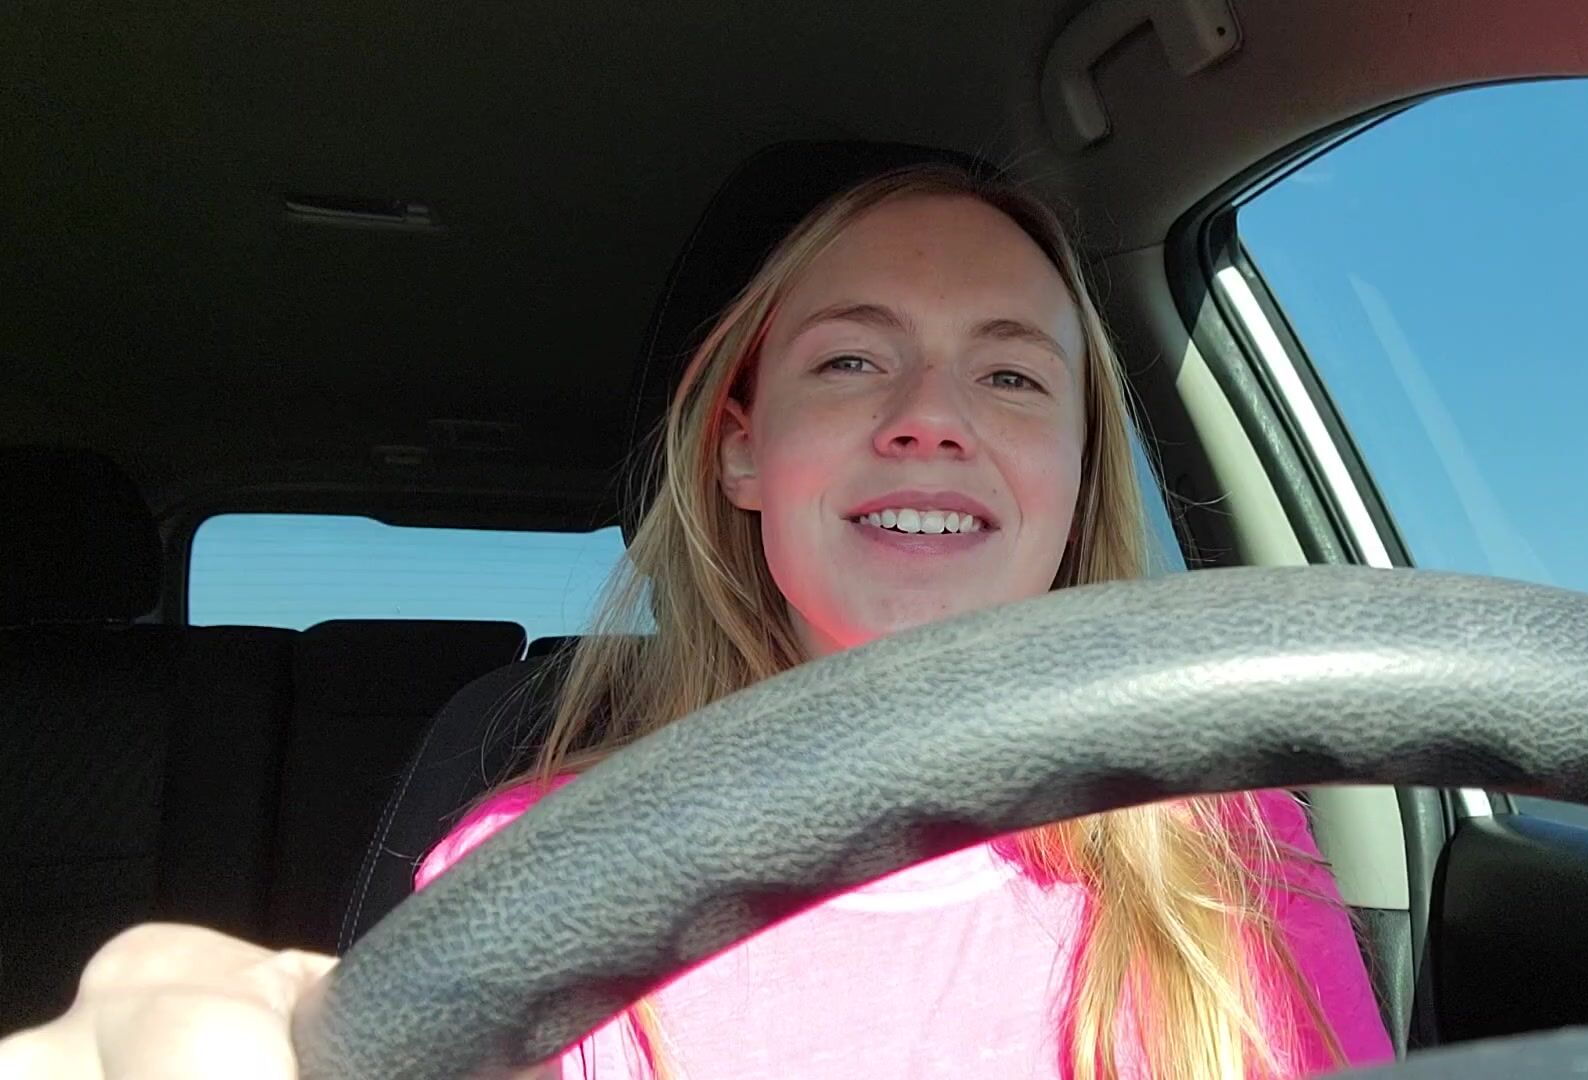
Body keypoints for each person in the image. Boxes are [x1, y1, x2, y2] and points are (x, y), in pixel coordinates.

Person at [0, 165, 1392, 1079]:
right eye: (851, 359)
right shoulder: (542, 858)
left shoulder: (1224, 844)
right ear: (740, 454)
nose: (929, 416)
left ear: (1081, 471)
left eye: (1014, 378)